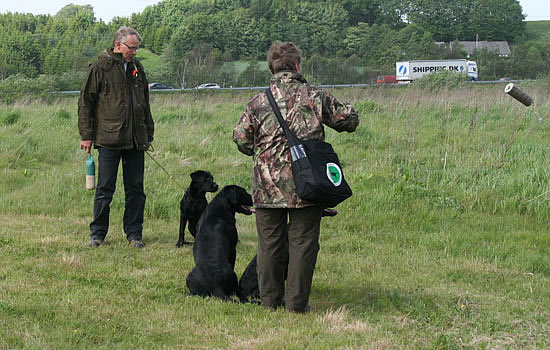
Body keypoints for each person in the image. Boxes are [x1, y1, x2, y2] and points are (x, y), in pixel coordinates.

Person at [232, 41, 359, 312]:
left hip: (267, 186)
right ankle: (296, 304)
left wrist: (264, 152)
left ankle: (269, 301)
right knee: (303, 244)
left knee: (268, 245)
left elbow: (241, 139)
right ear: (297, 65)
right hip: (308, 184)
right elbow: (348, 120)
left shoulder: (258, 101)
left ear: (272, 67)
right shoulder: (315, 96)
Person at [78, 26, 154, 248]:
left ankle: (134, 234)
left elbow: (145, 103)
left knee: (136, 189)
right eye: (132, 48)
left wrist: (148, 133)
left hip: (135, 140)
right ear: (118, 45)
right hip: (108, 139)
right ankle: (98, 234)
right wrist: (86, 135)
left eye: (137, 48)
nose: (135, 52)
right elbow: (86, 103)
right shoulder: (100, 67)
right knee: (105, 189)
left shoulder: (137, 68)